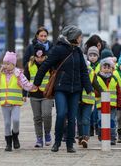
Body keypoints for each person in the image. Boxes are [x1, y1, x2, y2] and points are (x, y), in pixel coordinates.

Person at [33, 25, 93, 153]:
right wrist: (37, 82)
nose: (81, 39)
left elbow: (83, 71)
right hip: (61, 88)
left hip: (75, 89)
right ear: (73, 37)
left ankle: (70, 144)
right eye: (79, 37)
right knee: (61, 114)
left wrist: (89, 88)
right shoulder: (59, 49)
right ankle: (57, 142)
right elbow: (45, 65)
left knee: (72, 117)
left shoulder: (77, 51)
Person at [0, 51, 35, 152]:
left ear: (13, 64)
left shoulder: (19, 74)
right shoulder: (0, 75)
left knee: (16, 120)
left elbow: (26, 84)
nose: (5, 65)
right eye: (4, 63)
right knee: (7, 123)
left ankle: (15, 136)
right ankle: (8, 143)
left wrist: (34, 87)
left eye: (8, 63)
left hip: (15, 103)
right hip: (4, 103)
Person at [23, 44, 54, 148]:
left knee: (46, 115)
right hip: (34, 94)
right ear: (34, 56)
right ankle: (39, 138)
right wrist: (24, 94)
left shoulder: (50, 64)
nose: (40, 59)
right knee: (37, 117)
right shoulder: (29, 65)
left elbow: (54, 77)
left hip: (47, 94)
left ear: (45, 56)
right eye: (38, 57)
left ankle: (47, 133)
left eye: (42, 57)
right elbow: (25, 79)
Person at [95, 57, 121, 145]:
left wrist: (119, 103)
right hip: (101, 105)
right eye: (104, 67)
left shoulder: (114, 79)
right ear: (101, 68)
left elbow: (118, 92)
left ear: (112, 69)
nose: (106, 69)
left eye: (108, 67)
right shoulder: (97, 78)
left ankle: (113, 137)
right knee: (100, 120)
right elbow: (94, 90)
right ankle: (101, 133)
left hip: (112, 104)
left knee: (112, 121)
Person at [86, 46, 100, 136]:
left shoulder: (100, 65)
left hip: (97, 91)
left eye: (94, 55)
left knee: (96, 111)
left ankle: (97, 127)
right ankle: (90, 127)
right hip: (89, 91)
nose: (92, 57)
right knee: (89, 111)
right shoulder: (86, 65)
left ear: (98, 56)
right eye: (90, 55)